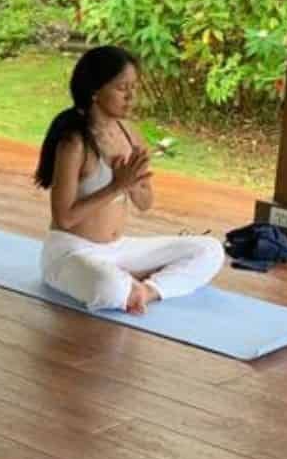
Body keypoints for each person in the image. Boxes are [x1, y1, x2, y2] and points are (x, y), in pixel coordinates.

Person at [34, 46, 224, 315]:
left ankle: (144, 291)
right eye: (122, 88)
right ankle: (125, 283)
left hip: (119, 249)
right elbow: (64, 218)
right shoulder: (74, 143)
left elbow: (146, 203)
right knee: (108, 287)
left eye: (134, 87)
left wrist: (134, 186)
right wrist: (116, 186)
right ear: (95, 90)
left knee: (210, 249)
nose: (132, 96)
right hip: (72, 254)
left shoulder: (131, 135)